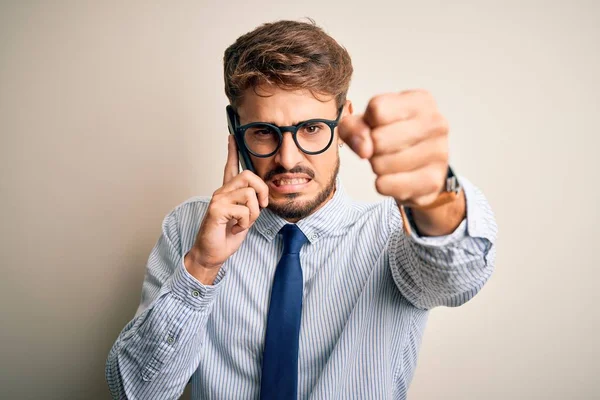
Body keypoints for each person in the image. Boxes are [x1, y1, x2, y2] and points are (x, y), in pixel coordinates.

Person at [105, 19, 497, 400]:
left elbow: (458, 279)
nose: (288, 158)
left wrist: (434, 197)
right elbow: (137, 394)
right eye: (263, 132)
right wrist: (202, 268)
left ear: (343, 123)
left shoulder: (392, 232)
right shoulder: (189, 228)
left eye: (311, 128)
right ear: (235, 127)